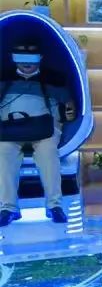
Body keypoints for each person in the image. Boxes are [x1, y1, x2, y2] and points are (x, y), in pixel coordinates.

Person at [0, 40, 75, 227]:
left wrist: (69, 110)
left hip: (44, 130)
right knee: (3, 152)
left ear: (40, 58)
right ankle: (8, 208)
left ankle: (54, 205)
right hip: (10, 131)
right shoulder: (3, 77)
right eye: (21, 57)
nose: (26, 63)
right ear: (13, 58)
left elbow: (69, 104)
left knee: (48, 152)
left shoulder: (53, 79)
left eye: (31, 57)